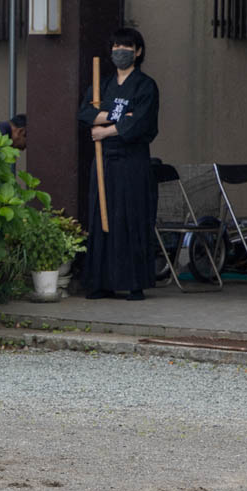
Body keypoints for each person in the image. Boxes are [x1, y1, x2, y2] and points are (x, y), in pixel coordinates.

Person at [77, 28, 159, 301]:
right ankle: (102, 282)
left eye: (126, 47)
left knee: (130, 217)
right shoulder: (104, 84)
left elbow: (141, 121)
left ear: (137, 51)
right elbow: (86, 112)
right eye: (115, 46)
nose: (119, 51)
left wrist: (106, 129)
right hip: (104, 161)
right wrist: (118, 115)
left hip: (132, 161)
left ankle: (134, 283)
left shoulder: (146, 86)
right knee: (102, 217)